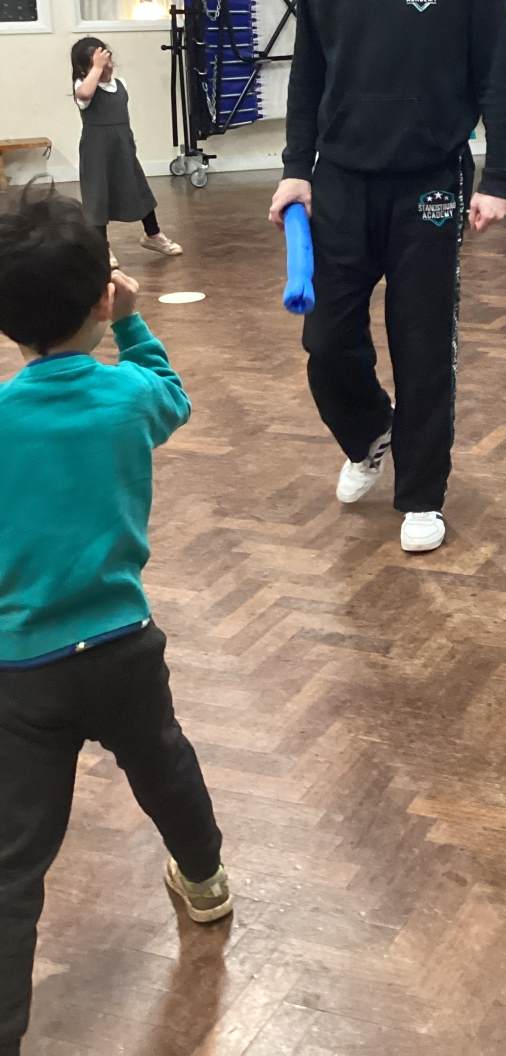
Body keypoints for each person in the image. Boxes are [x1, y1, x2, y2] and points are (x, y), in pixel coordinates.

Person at [0, 188, 228, 1056]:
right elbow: (172, 393)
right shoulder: (130, 395)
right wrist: (133, 325)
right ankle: (204, 882)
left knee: (14, 861)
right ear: (103, 296)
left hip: (22, 669)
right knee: (166, 768)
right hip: (125, 649)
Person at [267, 0, 506, 555]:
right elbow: (308, 71)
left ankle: (421, 495)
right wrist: (296, 167)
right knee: (325, 343)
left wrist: (500, 177)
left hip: (429, 184)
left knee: (421, 345)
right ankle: (369, 431)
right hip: (341, 180)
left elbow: (496, 69)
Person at [70, 38, 182, 263]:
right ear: (84, 69)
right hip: (96, 152)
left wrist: (101, 67)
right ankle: (102, 246)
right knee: (98, 196)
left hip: (122, 148)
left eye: (107, 59)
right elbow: (84, 95)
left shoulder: (120, 85)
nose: (106, 66)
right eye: (98, 63)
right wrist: (96, 69)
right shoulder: (83, 87)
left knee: (139, 190)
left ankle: (153, 234)